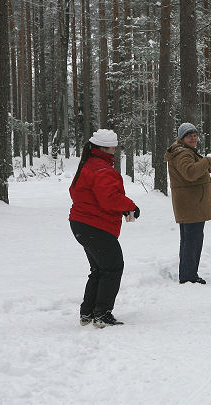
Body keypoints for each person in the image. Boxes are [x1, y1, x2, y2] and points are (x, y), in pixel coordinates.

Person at [69, 129, 139, 328]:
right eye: (113, 148)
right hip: (94, 226)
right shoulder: (102, 169)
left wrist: (124, 208)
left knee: (99, 269)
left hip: (82, 224)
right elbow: (109, 197)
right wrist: (130, 206)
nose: (115, 151)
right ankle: (102, 314)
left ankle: (88, 313)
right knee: (113, 267)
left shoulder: (89, 164)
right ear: (104, 148)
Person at [164, 122, 211, 285]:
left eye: (195, 135)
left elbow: (191, 172)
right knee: (192, 240)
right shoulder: (183, 153)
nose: (194, 138)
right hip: (191, 205)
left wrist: (208, 166)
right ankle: (188, 276)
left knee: (190, 240)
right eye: (190, 136)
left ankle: (188, 273)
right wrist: (207, 161)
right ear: (182, 138)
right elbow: (190, 173)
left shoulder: (184, 151)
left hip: (190, 204)